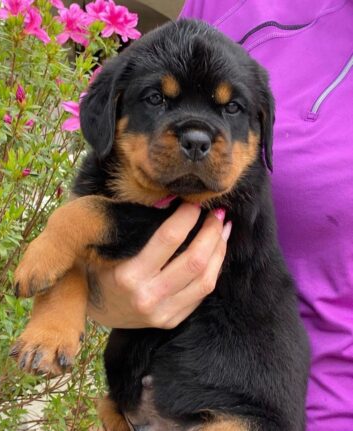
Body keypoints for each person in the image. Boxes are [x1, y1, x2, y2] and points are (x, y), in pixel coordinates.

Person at [87, 1, 353, 429]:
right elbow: (124, 154)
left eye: (231, 110)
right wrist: (100, 293)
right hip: (154, 395)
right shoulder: (230, 6)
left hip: (287, 412)